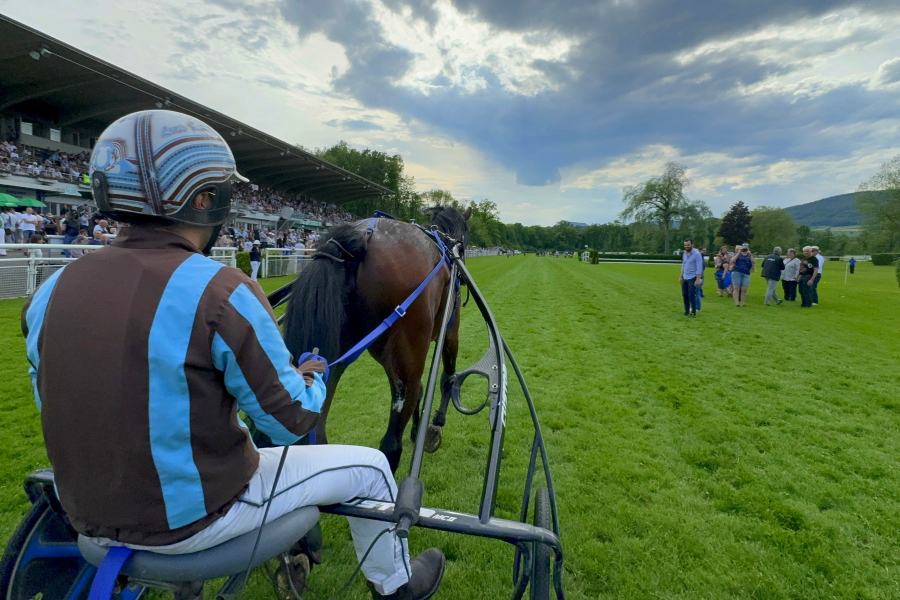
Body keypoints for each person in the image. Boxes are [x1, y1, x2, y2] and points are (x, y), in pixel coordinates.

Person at [21, 110, 444, 600]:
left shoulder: (48, 292)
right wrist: (312, 377)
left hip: (87, 517)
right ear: (205, 198)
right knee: (370, 468)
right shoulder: (224, 290)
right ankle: (397, 585)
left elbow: (58, 398)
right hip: (195, 519)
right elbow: (290, 421)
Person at [680, 238, 703, 317]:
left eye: (688, 245)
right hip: (685, 276)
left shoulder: (697, 254)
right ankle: (686, 311)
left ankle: (693, 311)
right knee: (685, 294)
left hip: (692, 277)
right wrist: (681, 276)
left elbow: (699, 267)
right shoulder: (684, 254)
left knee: (691, 295)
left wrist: (697, 279)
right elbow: (683, 265)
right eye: (685, 245)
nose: (686, 246)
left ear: (692, 245)